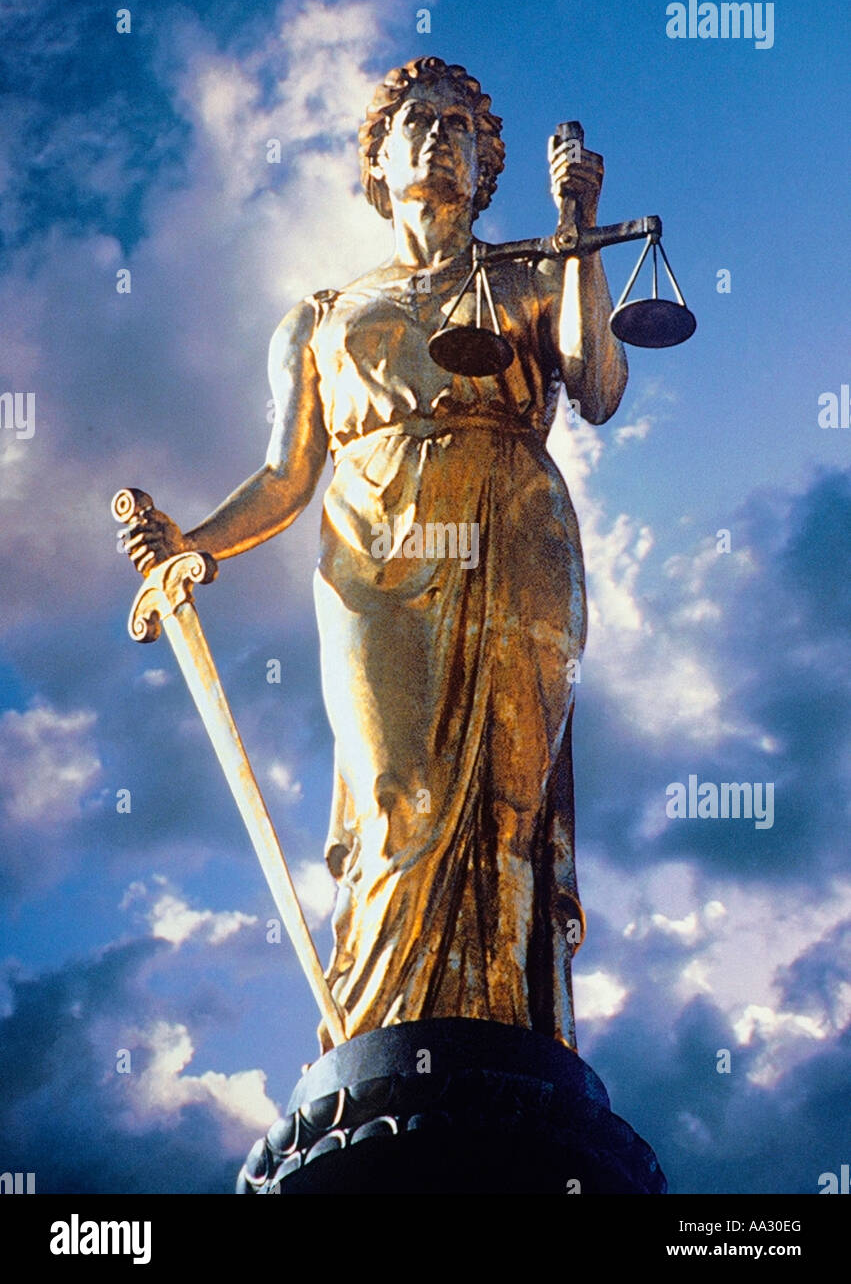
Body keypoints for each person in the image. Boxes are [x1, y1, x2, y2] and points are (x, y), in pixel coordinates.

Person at [126, 56, 628, 1053]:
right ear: (378, 161)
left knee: (504, 803)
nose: (437, 135)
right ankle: (376, 1040)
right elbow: (283, 478)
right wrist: (193, 546)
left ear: (488, 168)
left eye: (459, 127)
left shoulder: (526, 276)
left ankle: (502, 1032)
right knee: (395, 787)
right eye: (414, 121)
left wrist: (574, 227)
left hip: (513, 532)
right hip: (374, 554)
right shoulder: (320, 318)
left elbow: (597, 382)